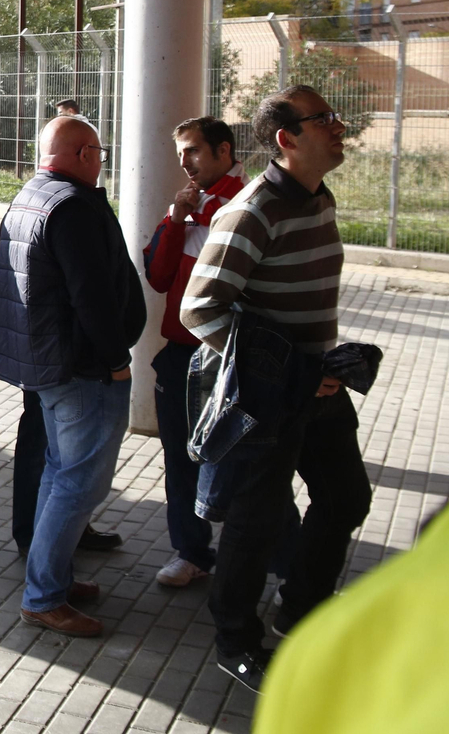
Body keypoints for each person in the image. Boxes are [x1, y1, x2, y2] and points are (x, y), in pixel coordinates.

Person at [182, 85, 370, 693]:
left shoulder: (317, 199)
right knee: (256, 520)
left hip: (321, 386)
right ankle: (235, 642)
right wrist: (283, 372)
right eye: (324, 120)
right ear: (287, 139)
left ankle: (299, 609)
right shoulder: (253, 209)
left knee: (346, 498)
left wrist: (319, 368)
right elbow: (200, 310)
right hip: (270, 398)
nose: (339, 127)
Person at [0, 114, 146, 637]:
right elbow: (93, 297)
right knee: (79, 483)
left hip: (48, 364)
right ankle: (43, 596)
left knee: (59, 476)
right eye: (98, 151)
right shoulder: (74, 206)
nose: (102, 160)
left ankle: (50, 575)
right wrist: (116, 359)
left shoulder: (32, 195)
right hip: (81, 369)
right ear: (82, 154)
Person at [140, 116, 246, 588]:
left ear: (224, 151)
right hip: (181, 353)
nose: (185, 163)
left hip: (228, 356)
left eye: (194, 151)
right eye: (180, 153)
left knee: (242, 462)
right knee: (179, 458)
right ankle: (191, 551)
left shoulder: (246, 204)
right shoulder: (186, 206)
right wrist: (175, 218)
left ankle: (267, 556)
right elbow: (158, 276)